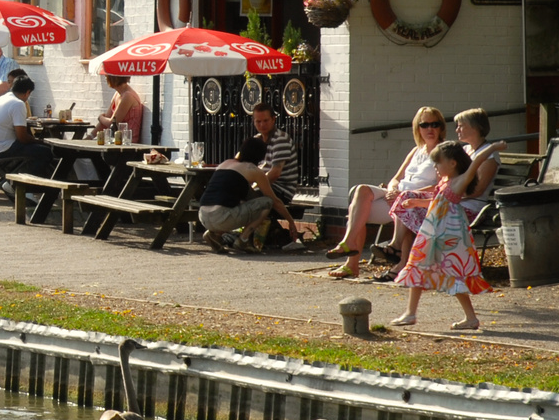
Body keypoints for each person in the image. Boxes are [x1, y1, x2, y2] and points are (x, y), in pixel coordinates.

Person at [389, 134, 506, 330]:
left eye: (438, 163)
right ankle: (410, 313)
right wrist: (417, 202)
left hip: (449, 235)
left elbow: (477, 161)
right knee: (418, 264)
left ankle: (471, 318)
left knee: (453, 271)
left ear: (452, 163)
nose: (435, 166)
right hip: (432, 231)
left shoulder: (459, 181)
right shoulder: (444, 182)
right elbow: (438, 201)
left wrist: (493, 147)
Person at [325, 106, 447, 278]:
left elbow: (442, 185)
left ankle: (389, 254)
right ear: (417, 128)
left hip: (417, 202)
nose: (430, 129)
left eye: (434, 124)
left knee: (396, 205)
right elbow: (396, 179)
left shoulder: (444, 151)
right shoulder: (416, 150)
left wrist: (405, 195)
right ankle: (350, 253)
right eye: (424, 125)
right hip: (399, 196)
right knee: (361, 193)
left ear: (441, 127)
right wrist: (392, 190)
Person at [196, 136, 298, 254]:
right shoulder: (253, 170)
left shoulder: (225, 163)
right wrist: (291, 221)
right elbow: (274, 201)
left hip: (203, 216)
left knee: (243, 199)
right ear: (261, 156)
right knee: (267, 202)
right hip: (222, 218)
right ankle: (243, 240)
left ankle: (213, 234)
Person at [0, 74, 52, 175]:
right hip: (1, 150)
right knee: (45, 152)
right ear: (27, 92)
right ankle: (26, 185)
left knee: (34, 150)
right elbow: (22, 137)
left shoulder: (0, 99)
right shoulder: (18, 104)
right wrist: (39, 141)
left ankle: (14, 181)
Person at [95, 74, 144, 140]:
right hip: (117, 140)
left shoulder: (128, 96)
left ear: (114, 77)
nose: (105, 78)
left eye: (107, 76)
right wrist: (90, 136)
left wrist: (100, 117)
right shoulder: (117, 94)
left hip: (128, 142)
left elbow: (112, 123)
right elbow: (106, 119)